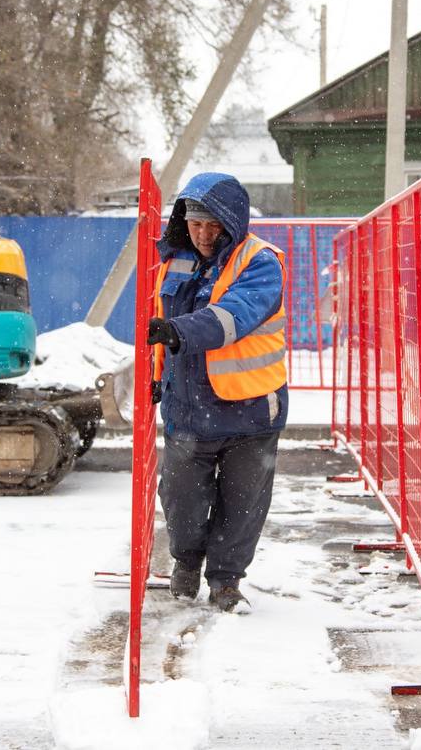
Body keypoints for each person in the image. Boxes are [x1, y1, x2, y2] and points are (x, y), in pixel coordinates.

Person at [146, 171, 288, 613]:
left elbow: (234, 316)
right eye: (195, 224)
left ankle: (226, 581)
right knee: (181, 498)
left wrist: (177, 331)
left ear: (232, 220)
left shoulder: (259, 261)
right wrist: (156, 377)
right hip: (188, 408)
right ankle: (186, 561)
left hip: (251, 408)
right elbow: (156, 323)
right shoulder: (174, 261)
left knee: (242, 505)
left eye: (213, 224)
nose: (204, 234)